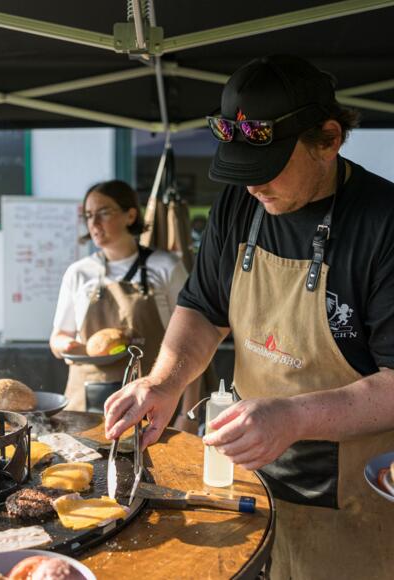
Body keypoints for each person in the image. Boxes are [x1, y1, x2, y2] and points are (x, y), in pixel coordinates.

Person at [104, 55, 394, 579]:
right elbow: (203, 309)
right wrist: (165, 382)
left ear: (328, 139)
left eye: (267, 168)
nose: (253, 186)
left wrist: (294, 417)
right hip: (245, 479)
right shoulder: (239, 205)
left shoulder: (383, 223)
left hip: (350, 502)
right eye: (241, 171)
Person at [50, 179, 188, 413]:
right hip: (86, 400)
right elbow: (58, 337)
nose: (94, 223)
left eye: (104, 212)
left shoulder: (166, 267)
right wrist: (66, 345)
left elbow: (187, 344)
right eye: (88, 215)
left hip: (152, 399)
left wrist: (187, 412)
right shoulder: (79, 272)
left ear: (130, 215)